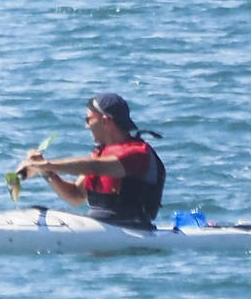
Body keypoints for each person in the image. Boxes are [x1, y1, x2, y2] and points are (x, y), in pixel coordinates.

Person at [15, 93, 166, 229]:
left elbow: (95, 167)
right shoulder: (101, 153)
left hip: (133, 228)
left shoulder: (138, 153)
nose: (86, 126)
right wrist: (46, 172)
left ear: (105, 120)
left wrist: (44, 164)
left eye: (88, 120)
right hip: (98, 226)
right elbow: (75, 196)